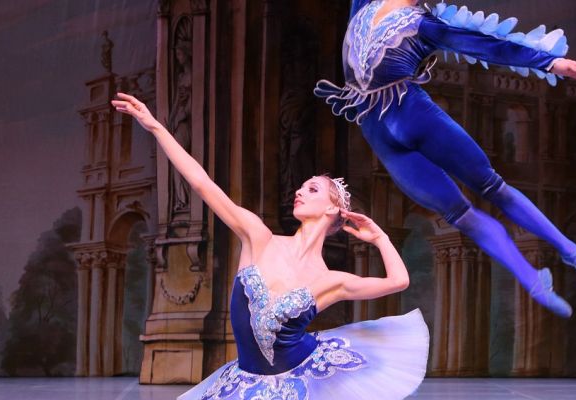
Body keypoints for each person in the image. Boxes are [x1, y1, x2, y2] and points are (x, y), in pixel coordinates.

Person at [112, 93, 429, 400]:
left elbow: (398, 281)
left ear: (332, 208)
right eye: (301, 187)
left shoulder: (330, 280)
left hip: (298, 382)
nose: (299, 192)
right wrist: (155, 126)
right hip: (244, 385)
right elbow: (201, 182)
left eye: (312, 189)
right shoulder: (258, 236)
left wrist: (380, 238)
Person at [314, 0, 576, 317]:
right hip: (381, 136)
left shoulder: (423, 24)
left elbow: (484, 46)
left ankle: (572, 253)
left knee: (493, 188)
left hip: (418, 118)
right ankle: (534, 282)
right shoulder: (363, 5)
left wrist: (550, 62)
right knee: (460, 215)